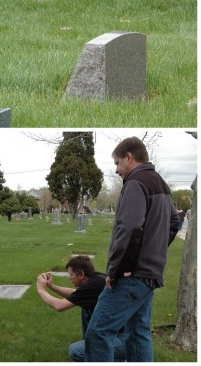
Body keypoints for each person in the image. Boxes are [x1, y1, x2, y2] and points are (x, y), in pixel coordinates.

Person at [84, 137, 180, 362]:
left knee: (98, 332)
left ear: (129, 157)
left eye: (117, 163)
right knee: (138, 335)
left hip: (131, 276)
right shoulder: (160, 182)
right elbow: (175, 223)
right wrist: (153, 251)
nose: (116, 170)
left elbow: (129, 228)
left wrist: (116, 270)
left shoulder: (136, 182)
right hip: (149, 275)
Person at [36, 256, 126, 362]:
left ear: (82, 274)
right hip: (116, 334)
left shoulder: (92, 285)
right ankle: (91, 346)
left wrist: (41, 290)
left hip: (123, 340)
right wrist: (51, 286)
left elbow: (59, 306)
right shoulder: (96, 278)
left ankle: (118, 359)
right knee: (85, 307)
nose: (70, 278)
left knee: (75, 351)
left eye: (71, 275)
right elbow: (75, 294)